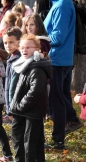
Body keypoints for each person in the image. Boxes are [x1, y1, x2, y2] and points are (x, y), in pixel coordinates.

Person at [3, 34, 52, 162]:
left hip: (32, 111)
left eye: (28, 47)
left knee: (31, 140)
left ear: (36, 49)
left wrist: (20, 106)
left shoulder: (37, 67)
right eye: (22, 47)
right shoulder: (24, 64)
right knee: (24, 138)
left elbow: (34, 91)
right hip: (22, 110)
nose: (24, 50)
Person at [44, 0, 82, 149]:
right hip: (61, 58)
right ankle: (71, 120)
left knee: (56, 99)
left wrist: (39, 39)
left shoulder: (62, 5)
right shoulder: (59, 4)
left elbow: (58, 37)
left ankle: (58, 139)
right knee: (63, 96)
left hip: (57, 59)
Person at [2, 27, 22, 125]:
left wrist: (11, 106)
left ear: (19, 42)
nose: (8, 45)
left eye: (11, 42)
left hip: (17, 102)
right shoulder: (11, 58)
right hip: (11, 102)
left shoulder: (18, 60)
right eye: (5, 43)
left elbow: (13, 86)